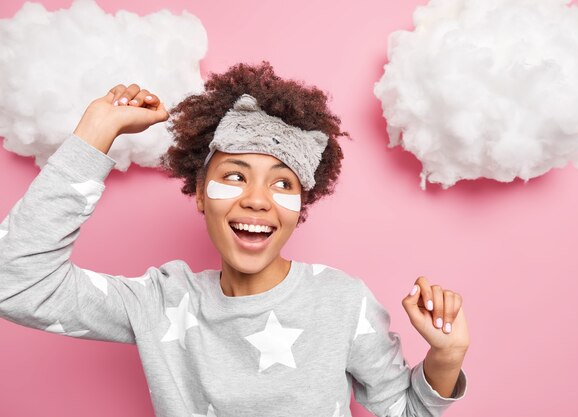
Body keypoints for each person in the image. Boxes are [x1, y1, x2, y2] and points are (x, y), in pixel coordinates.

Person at [0, 61, 469, 417]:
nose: (258, 200)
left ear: (301, 206)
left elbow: (407, 410)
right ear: (202, 193)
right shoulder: (162, 301)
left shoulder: (341, 301)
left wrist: (446, 355)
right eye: (235, 176)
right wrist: (96, 133)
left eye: (283, 184)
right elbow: (16, 282)